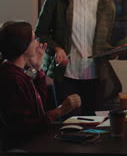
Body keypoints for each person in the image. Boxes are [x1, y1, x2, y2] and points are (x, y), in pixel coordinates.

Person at [35, 0, 122, 116]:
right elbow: (40, 33)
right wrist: (57, 49)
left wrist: (112, 51)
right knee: (68, 125)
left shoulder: (107, 3)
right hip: (66, 74)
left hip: (95, 76)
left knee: (94, 125)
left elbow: (103, 42)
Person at [0, 21, 81, 149]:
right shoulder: (12, 78)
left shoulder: (18, 71)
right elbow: (26, 125)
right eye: (34, 39)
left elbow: (39, 106)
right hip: (23, 146)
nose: (38, 42)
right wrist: (60, 111)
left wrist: (39, 70)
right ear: (23, 45)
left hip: (32, 141)